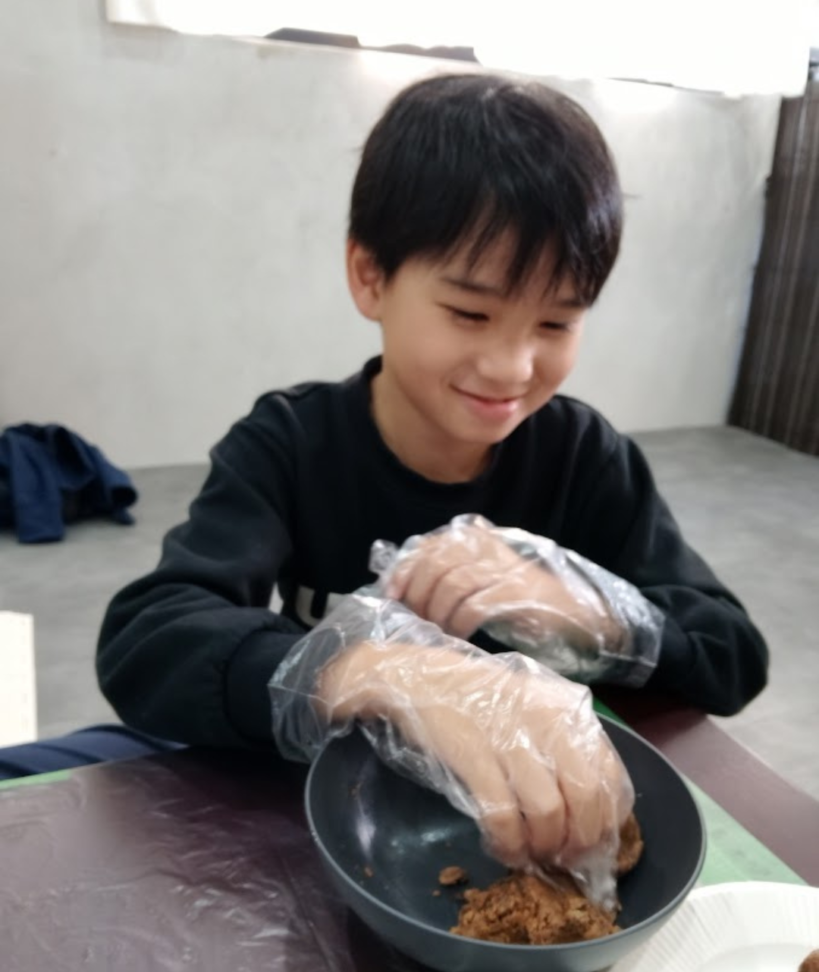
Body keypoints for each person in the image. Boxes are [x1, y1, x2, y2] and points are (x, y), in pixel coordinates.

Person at [3, 74, 767, 890]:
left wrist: (590, 610)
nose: (512, 366)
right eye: (470, 314)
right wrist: (385, 669)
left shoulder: (584, 457)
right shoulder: (292, 444)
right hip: (327, 798)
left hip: (513, 832)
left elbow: (730, 656)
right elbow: (148, 641)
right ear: (370, 277)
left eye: (556, 322)